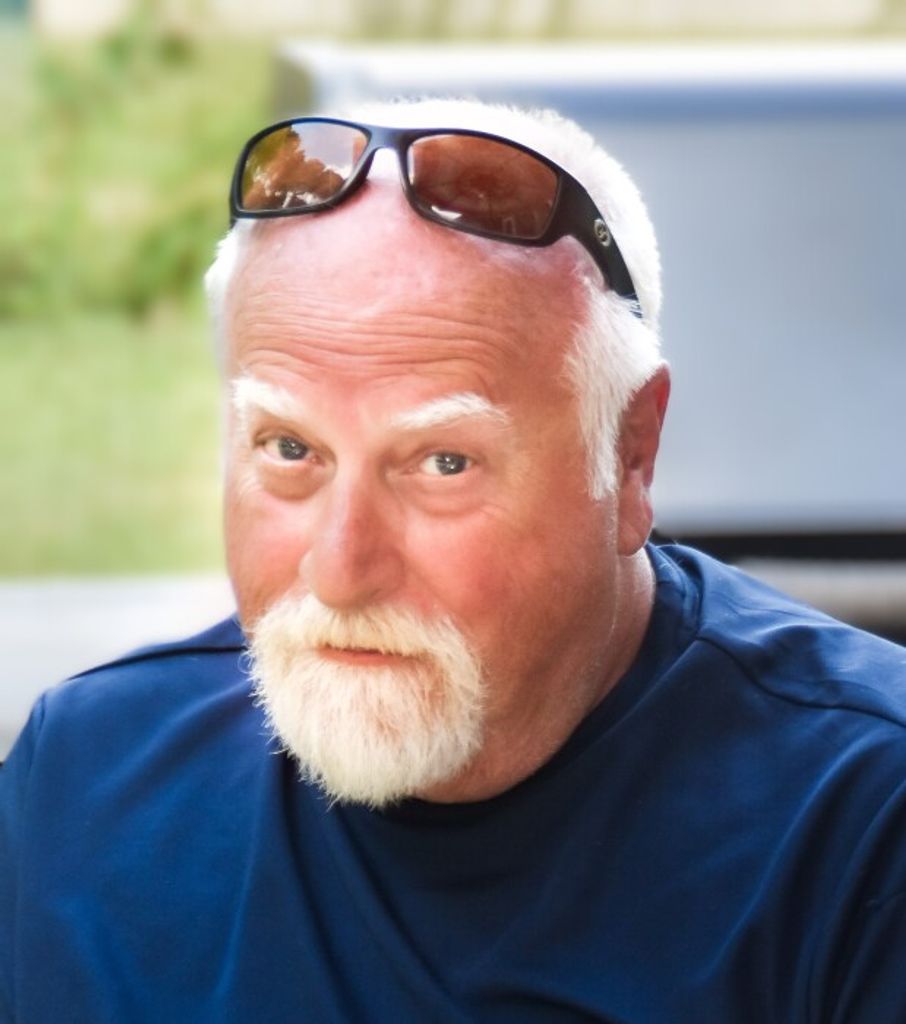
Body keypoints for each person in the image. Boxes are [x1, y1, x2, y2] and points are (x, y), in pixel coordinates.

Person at [1, 97, 904, 1023]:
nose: (340, 571)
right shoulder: (85, 784)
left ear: (630, 455)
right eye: (290, 449)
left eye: (442, 463)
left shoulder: (863, 828)